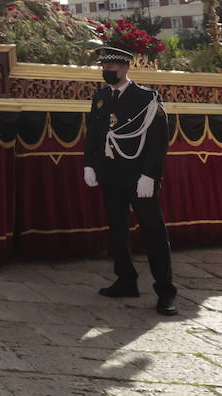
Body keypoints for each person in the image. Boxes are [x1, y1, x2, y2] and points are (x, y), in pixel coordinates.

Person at [83, 46, 177, 316]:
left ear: (125, 68)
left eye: (111, 67)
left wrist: (150, 174)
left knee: (154, 232)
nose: (106, 71)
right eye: (104, 67)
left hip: (138, 175)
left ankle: (166, 291)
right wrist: (89, 164)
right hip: (110, 173)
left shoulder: (147, 98)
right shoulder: (101, 97)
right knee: (117, 230)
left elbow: (159, 141)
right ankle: (126, 280)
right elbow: (95, 134)